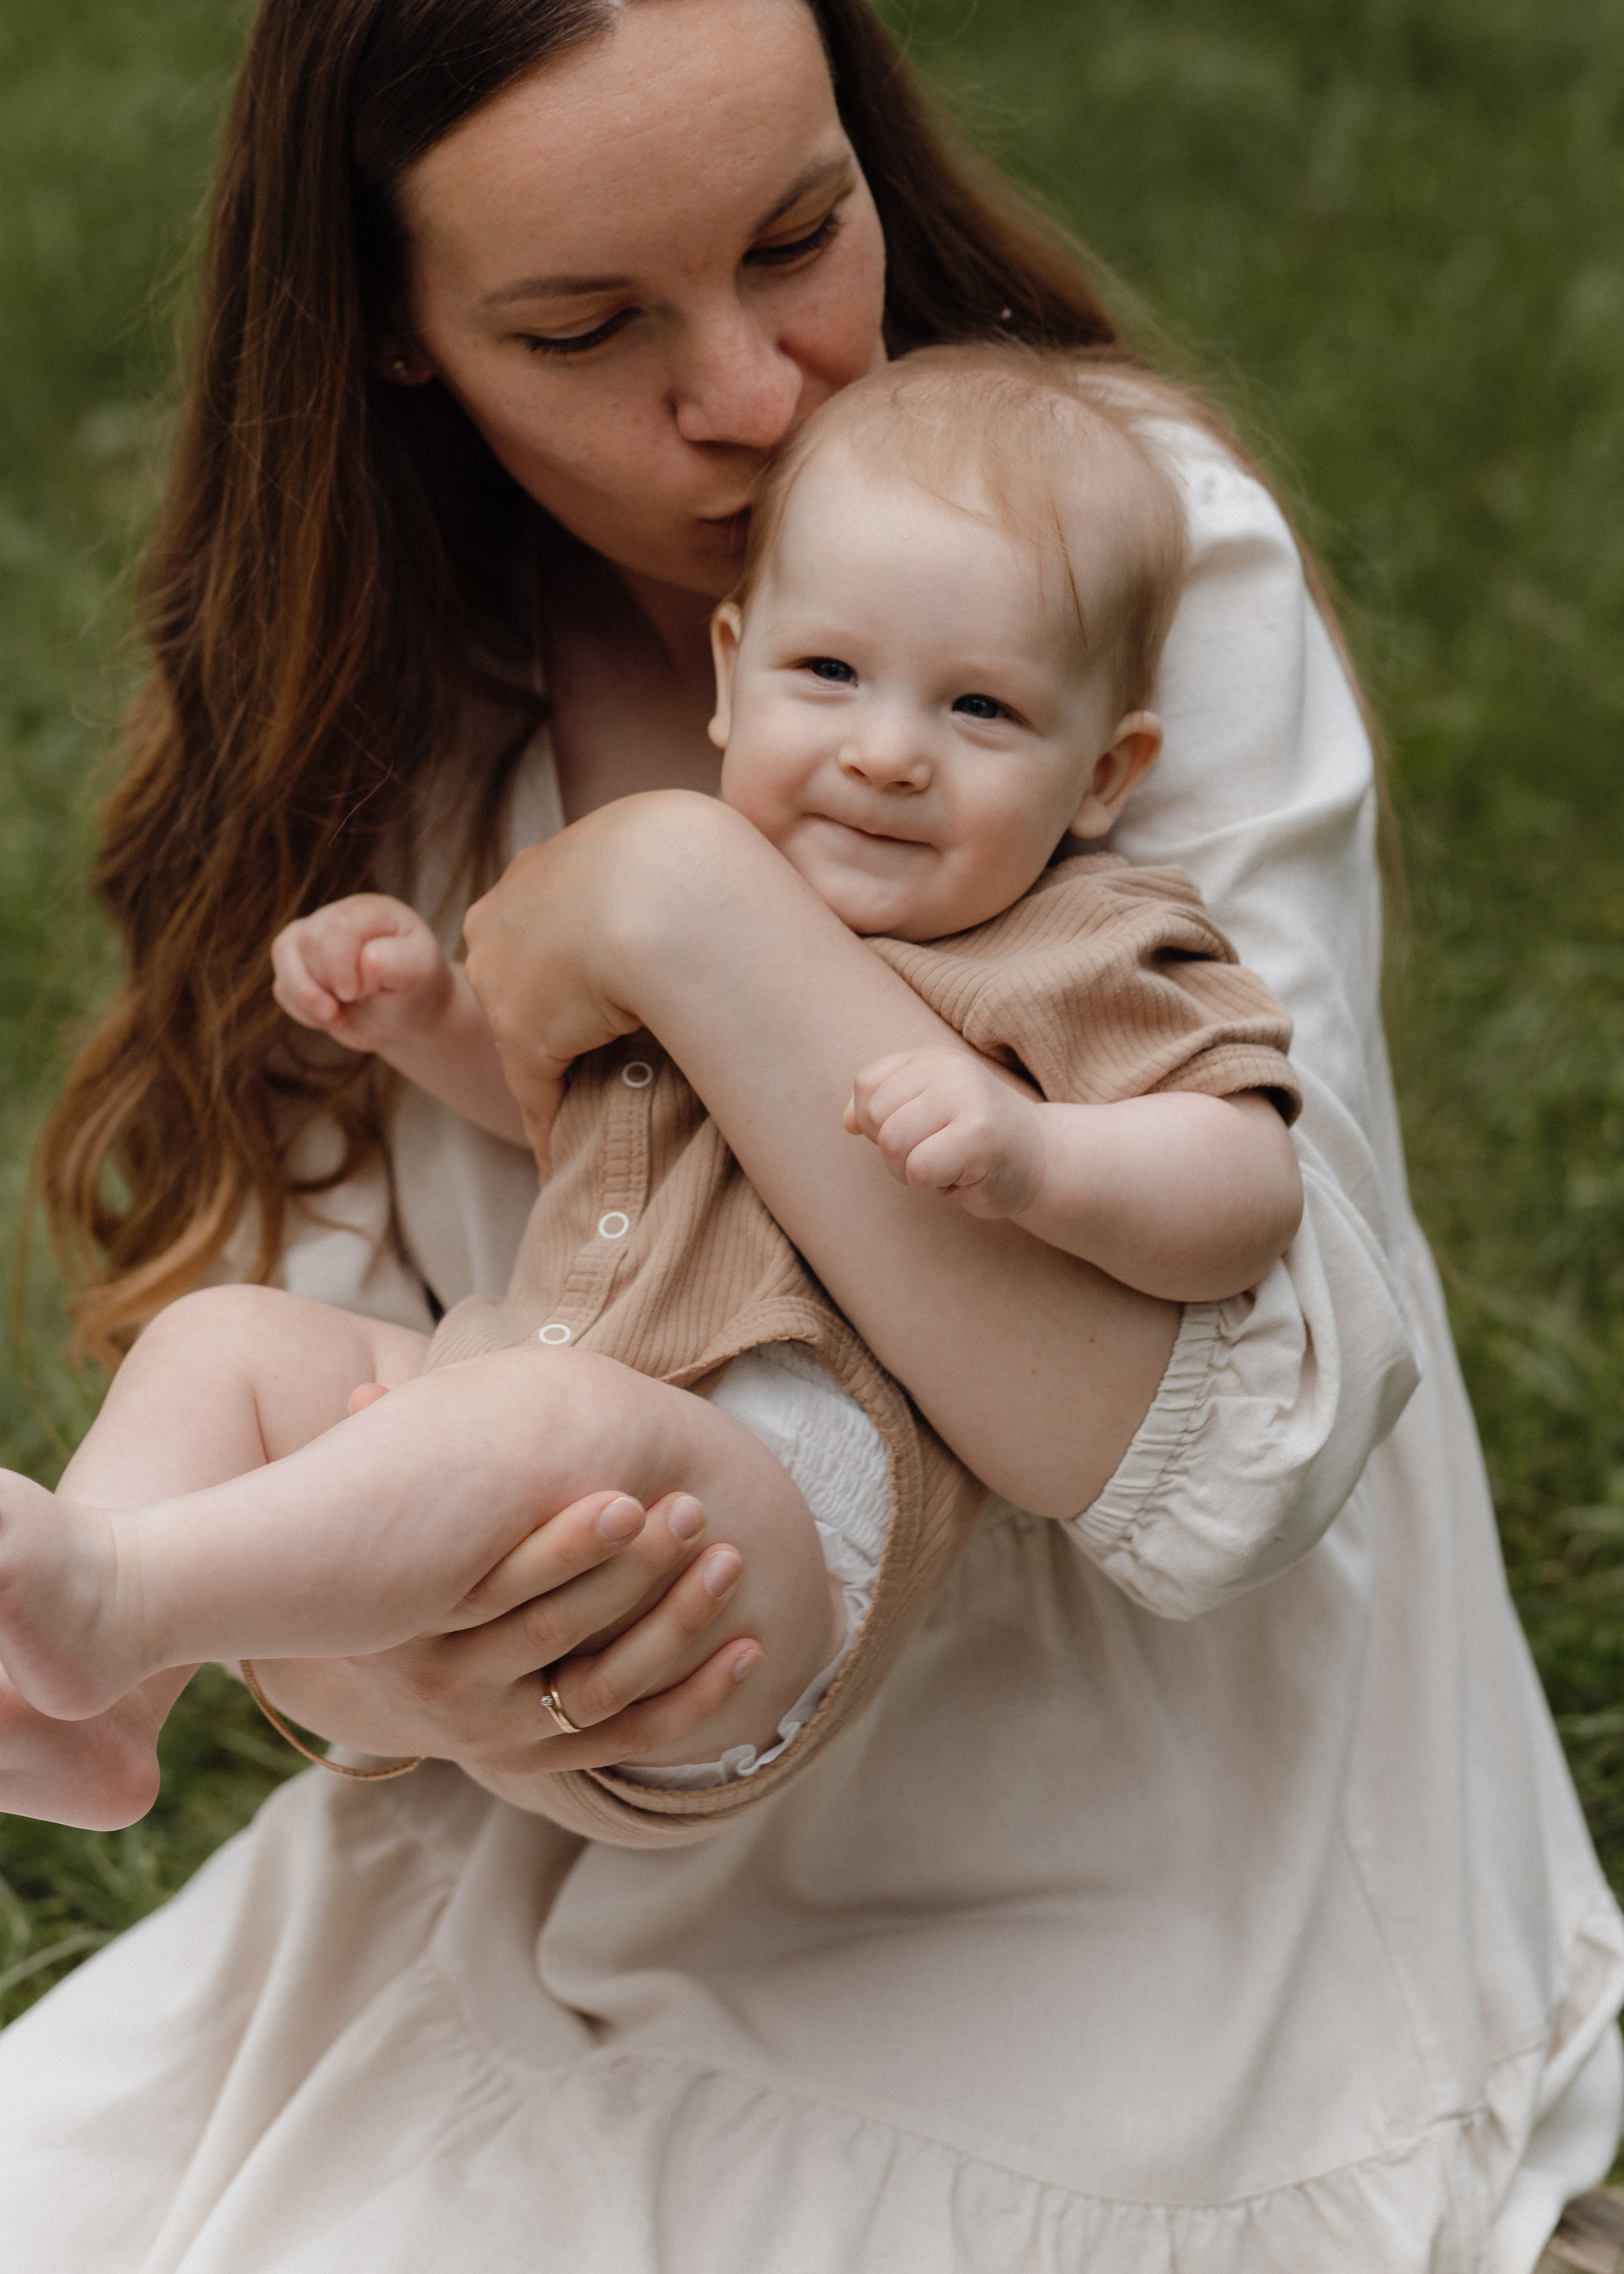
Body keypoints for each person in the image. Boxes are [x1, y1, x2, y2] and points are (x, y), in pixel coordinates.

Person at [0, 0, 1624, 2267]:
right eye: (584, 329)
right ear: (401, 348)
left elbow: (1219, 1468)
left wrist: (669, 901)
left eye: (801, 237)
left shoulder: (1099, 568)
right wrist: (438, 1690)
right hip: (603, 1803)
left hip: (1150, 1861)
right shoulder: (389, 723)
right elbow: (358, 1432)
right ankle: (71, 1635)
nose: (755, 394)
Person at [0, 347, 1303, 1823]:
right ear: (730, 675)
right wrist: (429, 1016)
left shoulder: (1083, 940)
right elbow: (570, 1138)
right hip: (535, 1420)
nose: (884, 754)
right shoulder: (683, 949)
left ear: (1105, 773)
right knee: (223, 1340)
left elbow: (1247, 1189)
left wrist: (1039, 1156)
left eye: (981, 712)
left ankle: (115, 1592)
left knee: (547, 1420)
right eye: (829, 674)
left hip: (770, 1535)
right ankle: (91, 1714)